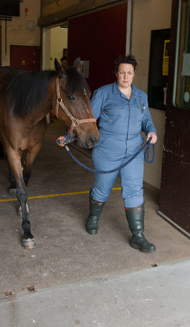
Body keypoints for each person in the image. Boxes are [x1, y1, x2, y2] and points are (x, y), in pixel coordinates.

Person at [57, 55, 157, 253]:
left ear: (134, 74)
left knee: (134, 190)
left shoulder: (141, 96)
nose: (125, 76)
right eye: (122, 72)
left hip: (134, 151)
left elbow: (146, 120)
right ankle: (93, 217)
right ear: (116, 73)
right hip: (108, 150)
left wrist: (151, 131)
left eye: (129, 72)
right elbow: (86, 122)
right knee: (103, 188)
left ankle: (138, 236)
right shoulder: (104, 93)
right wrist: (68, 138)